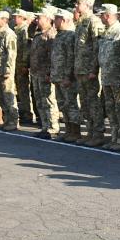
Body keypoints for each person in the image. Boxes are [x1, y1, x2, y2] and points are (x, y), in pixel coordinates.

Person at [72, 0, 106, 143]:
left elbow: (97, 47)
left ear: (87, 5)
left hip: (90, 71)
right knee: (85, 103)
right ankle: (90, 131)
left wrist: (94, 69)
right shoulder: (80, 22)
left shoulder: (94, 22)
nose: (76, 5)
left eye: (78, 3)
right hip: (80, 69)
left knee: (94, 102)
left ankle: (97, 133)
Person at [96, 4, 120, 149]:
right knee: (111, 110)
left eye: (102, 15)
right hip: (107, 78)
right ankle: (115, 138)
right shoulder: (107, 32)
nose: (100, 17)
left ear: (107, 15)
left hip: (118, 79)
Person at [29, 8, 60, 138]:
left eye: (39, 18)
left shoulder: (51, 35)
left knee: (49, 101)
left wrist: (49, 73)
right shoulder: (38, 35)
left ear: (48, 19)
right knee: (40, 102)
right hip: (36, 73)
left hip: (45, 74)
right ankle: (45, 126)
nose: (37, 20)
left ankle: (53, 129)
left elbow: (53, 56)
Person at [51, 9, 80, 141]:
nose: (54, 21)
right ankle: (68, 130)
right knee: (63, 104)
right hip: (58, 76)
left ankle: (75, 131)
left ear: (64, 20)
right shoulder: (59, 35)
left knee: (71, 104)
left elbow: (70, 57)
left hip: (66, 77)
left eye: (57, 18)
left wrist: (68, 76)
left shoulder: (69, 35)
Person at [0, 11, 19, 130]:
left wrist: (8, 69)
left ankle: (13, 121)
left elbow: (11, 53)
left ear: (5, 20)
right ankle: (7, 120)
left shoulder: (9, 34)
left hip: (5, 71)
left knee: (9, 97)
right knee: (1, 97)